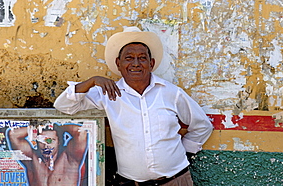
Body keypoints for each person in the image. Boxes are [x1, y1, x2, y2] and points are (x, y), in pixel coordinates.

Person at [54, 26, 213, 186]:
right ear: (118, 63)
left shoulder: (170, 92)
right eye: (129, 58)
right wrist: (91, 82)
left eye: (142, 58)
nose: (136, 64)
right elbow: (64, 106)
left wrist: (185, 153)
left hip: (177, 180)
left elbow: (202, 125)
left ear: (151, 63)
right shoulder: (108, 94)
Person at [7, 123, 88, 186]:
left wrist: (59, 127)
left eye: (51, 141)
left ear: (58, 142)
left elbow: (80, 132)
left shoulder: (70, 159)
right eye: (42, 141)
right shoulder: (32, 160)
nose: (46, 146)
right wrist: (36, 128)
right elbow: (13, 135)